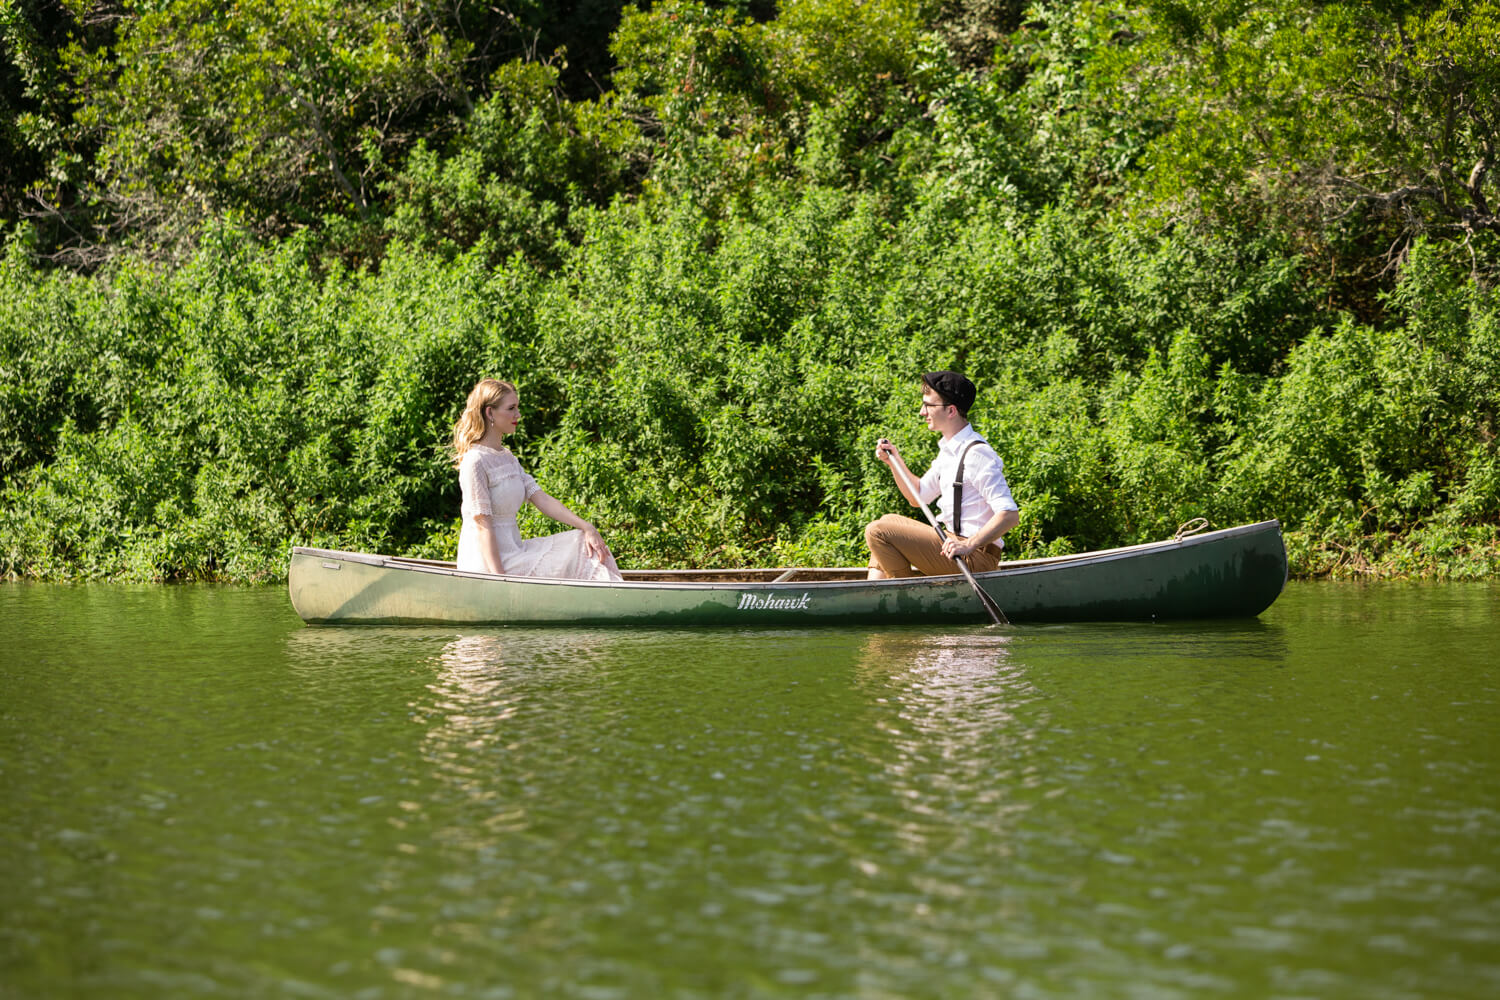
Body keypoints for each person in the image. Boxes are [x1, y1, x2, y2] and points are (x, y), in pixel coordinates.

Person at [452, 378, 623, 581]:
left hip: (516, 552)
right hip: (489, 563)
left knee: (583, 541)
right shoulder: (475, 461)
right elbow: (483, 526)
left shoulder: (507, 457)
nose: (518, 415)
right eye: (511, 408)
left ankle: (616, 603)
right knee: (581, 551)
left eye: (518, 407)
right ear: (490, 412)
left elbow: (542, 499)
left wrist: (588, 527)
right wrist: (500, 580)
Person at [865, 371, 1020, 580]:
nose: (922, 412)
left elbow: (1009, 514)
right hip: (952, 547)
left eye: (929, 405)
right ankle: (874, 596)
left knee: (878, 531)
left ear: (951, 411)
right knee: (887, 521)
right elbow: (917, 496)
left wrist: (968, 544)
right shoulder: (949, 450)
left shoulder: (977, 454)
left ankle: (903, 596)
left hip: (974, 558)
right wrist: (893, 460)